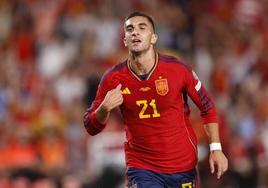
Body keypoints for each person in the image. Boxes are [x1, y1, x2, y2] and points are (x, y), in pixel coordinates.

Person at [83, 11, 228, 188]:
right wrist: (104, 109)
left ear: (153, 38)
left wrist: (215, 148)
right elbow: (90, 127)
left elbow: (207, 107)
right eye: (130, 29)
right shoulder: (113, 78)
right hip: (142, 168)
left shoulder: (177, 70)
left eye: (141, 28)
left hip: (182, 165)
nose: (135, 32)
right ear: (125, 40)